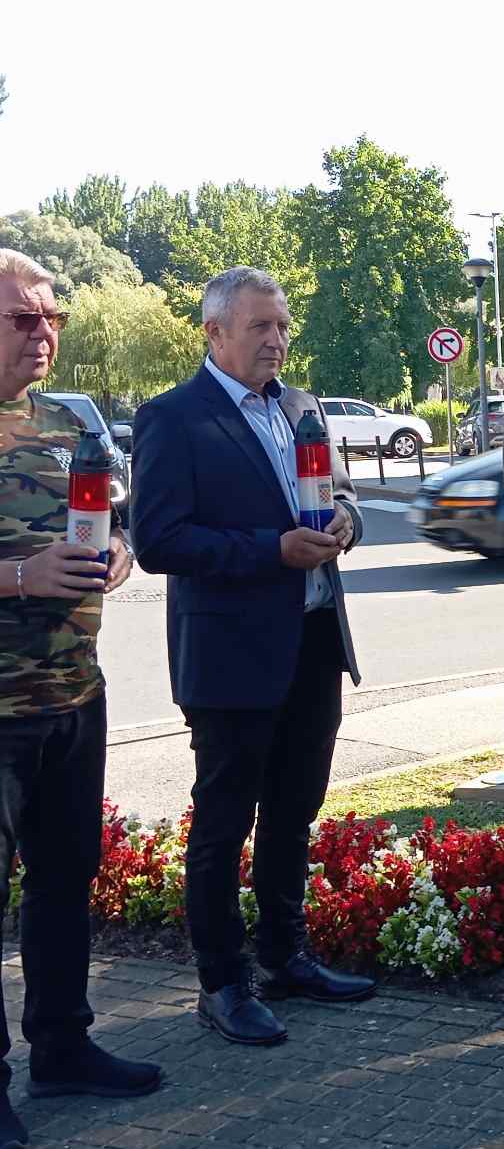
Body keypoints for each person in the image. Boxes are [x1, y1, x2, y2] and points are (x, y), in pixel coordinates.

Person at [132, 266, 373, 1048]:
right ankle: (222, 983)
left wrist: (343, 521)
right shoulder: (174, 418)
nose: (276, 340)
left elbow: (343, 498)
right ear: (215, 333)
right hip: (232, 658)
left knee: (295, 812)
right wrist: (270, 550)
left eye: (282, 326)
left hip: (311, 644)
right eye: (260, 327)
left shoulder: (301, 408)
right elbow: (161, 540)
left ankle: (284, 955)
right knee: (224, 824)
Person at [0, 249, 162, 1149]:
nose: (45, 333)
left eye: (52, 317)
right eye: (23, 319)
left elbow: (118, 521)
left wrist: (121, 554)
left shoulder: (71, 422)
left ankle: (61, 1044)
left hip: (72, 692)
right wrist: (21, 576)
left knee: (66, 876)